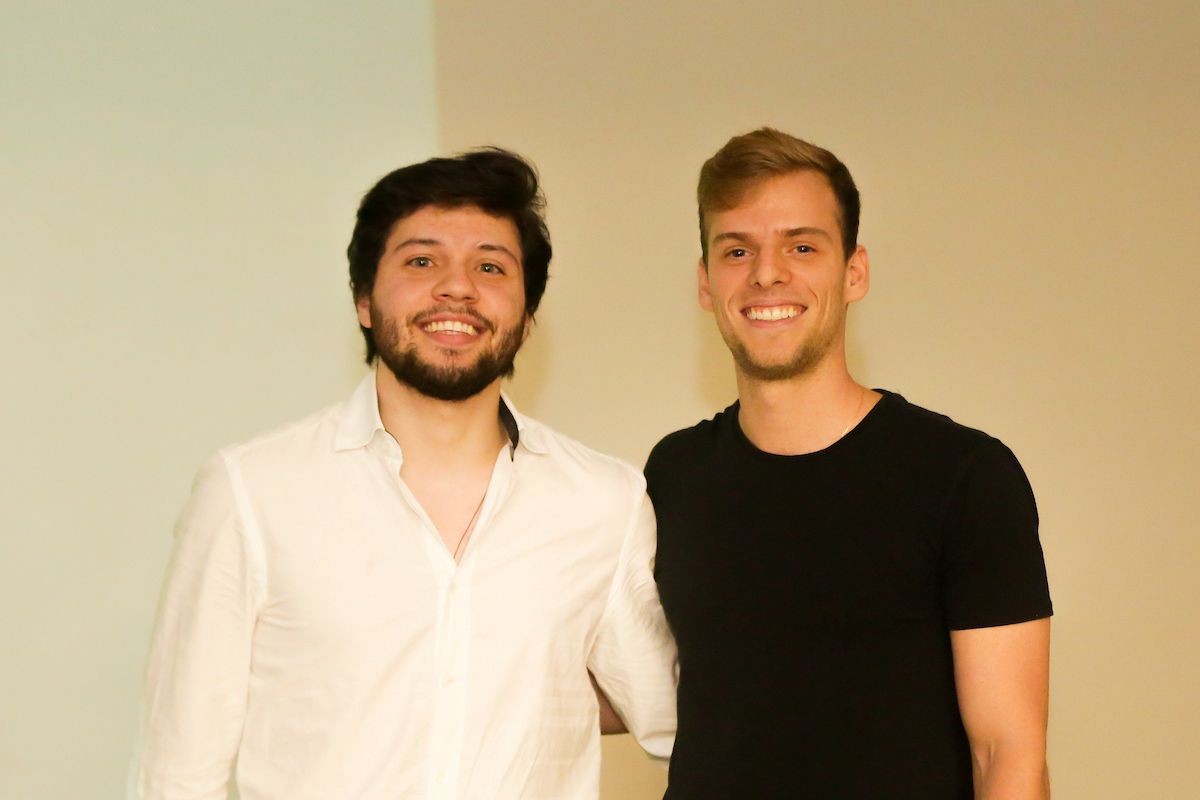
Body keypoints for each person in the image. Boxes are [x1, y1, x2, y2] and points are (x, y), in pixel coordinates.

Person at [131, 148, 676, 799]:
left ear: (528, 317)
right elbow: (177, 771)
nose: (457, 287)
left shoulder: (603, 503)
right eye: (422, 261)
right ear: (364, 299)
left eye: (491, 266)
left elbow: (668, 715)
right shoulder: (252, 491)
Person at [645, 128, 1052, 799]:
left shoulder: (963, 476)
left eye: (801, 247)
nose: (766, 273)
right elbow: (643, 681)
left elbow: (1006, 755)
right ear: (705, 282)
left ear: (854, 271)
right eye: (737, 249)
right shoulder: (674, 474)